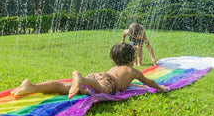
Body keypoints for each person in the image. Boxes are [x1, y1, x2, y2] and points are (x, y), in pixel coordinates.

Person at [11, 43, 167, 100]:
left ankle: (33, 87)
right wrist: (160, 88)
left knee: (65, 87)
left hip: (97, 76)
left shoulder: (115, 68)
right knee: (103, 88)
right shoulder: (132, 70)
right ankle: (81, 79)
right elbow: (149, 82)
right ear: (132, 58)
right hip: (106, 82)